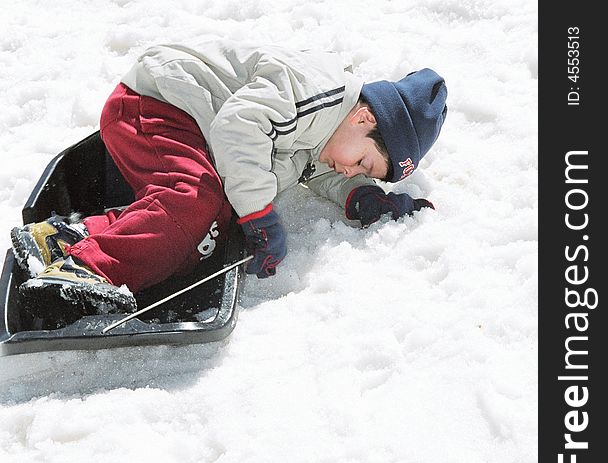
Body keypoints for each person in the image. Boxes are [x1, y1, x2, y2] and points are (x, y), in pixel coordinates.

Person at [12, 39, 447, 320]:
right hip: (156, 103)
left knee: (211, 225)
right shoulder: (316, 92)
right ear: (364, 117)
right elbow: (239, 127)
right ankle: (88, 268)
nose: (351, 170)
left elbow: (318, 169)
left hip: (189, 129)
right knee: (195, 199)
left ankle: (67, 238)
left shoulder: (332, 134)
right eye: (365, 165)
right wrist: (259, 214)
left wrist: (360, 195)